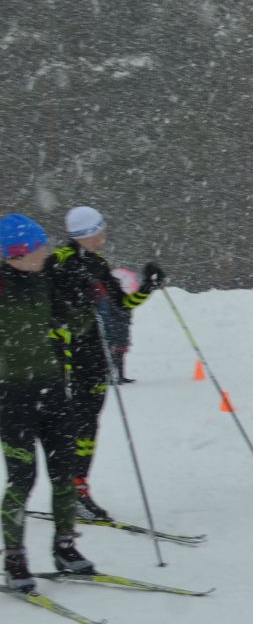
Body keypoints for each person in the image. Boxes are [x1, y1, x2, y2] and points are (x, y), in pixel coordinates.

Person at [49, 206, 162, 521]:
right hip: (68, 354)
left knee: (89, 423)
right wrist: (70, 300)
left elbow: (122, 303)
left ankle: (79, 487)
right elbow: (44, 301)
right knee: (69, 425)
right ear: (85, 233)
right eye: (100, 230)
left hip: (94, 352)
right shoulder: (58, 260)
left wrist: (148, 287)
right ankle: (68, 491)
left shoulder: (98, 263)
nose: (104, 235)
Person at [2, 214, 94, 590]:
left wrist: (83, 299)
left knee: (65, 470)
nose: (44, 252)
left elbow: (79, 325)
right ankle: (14, 557)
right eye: (37, 248)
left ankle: (65, 546)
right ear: (15, 253)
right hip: (10, 395)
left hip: (52, 388)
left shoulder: (47, 279)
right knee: (23, 477)